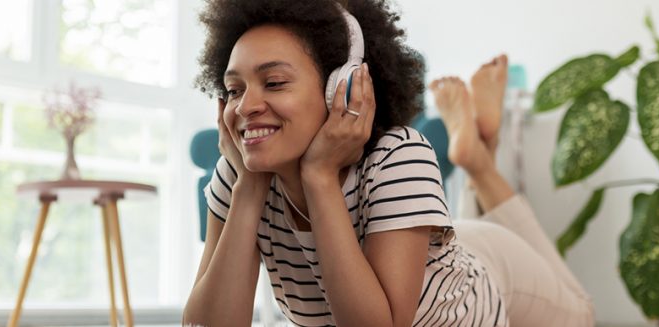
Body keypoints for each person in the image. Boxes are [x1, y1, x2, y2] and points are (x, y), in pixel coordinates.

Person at [183, 0, 595, 325]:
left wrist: (320, 177)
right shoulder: (240, 175)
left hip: (484, 274)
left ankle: (479, 165)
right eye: (234, 90)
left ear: (339, 88)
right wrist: (249, 189)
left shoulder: (398, 155)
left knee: (581, 314)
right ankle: (478, 152)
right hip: (415, 241)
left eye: (273, 83)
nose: (246, 107)